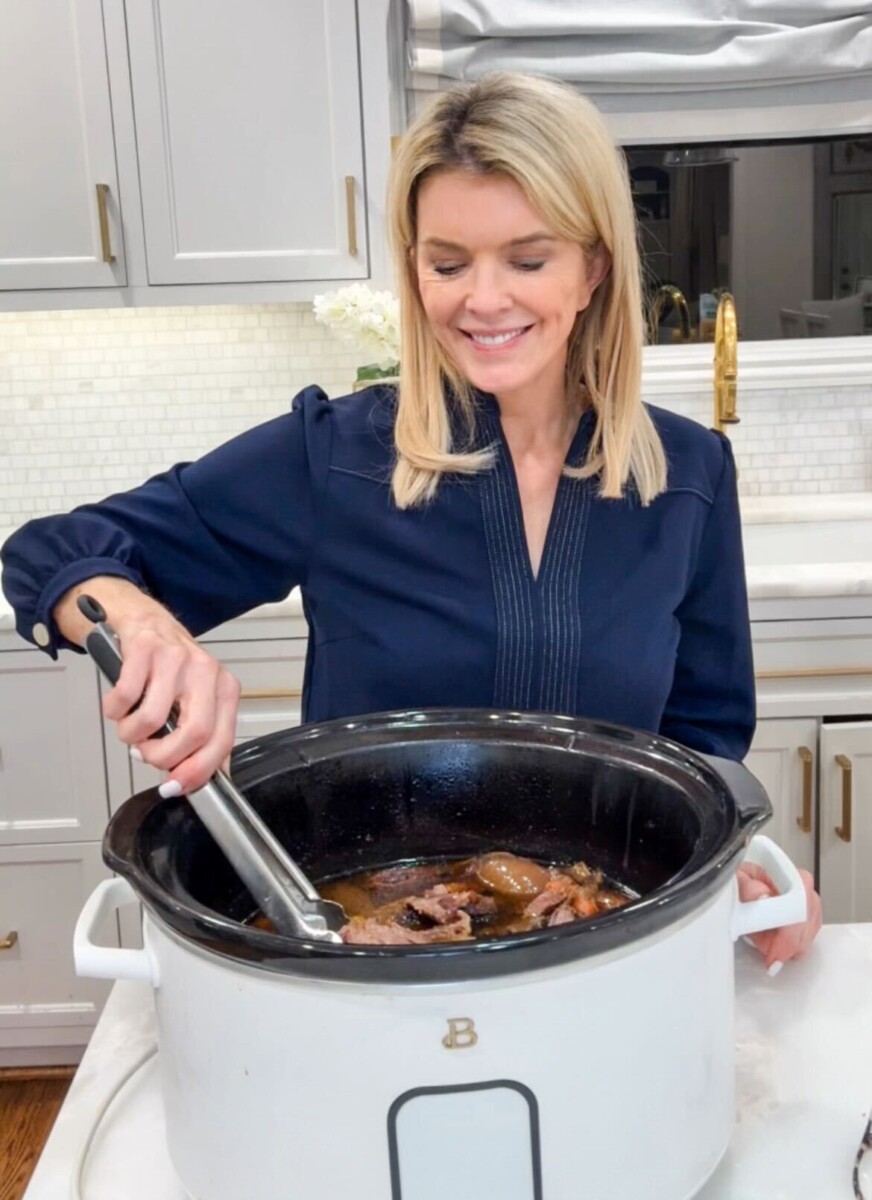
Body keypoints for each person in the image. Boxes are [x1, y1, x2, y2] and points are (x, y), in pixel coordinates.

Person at [0, 72, 820, 964]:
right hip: (374, 960)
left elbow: (704, 736)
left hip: (612, 951)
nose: (484, 299)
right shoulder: (336, 457)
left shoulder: (689, 474)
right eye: (448, 263)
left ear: (593, 268)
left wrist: (737, 865)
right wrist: (141, 621)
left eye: (528, 259)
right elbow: (52, 551)